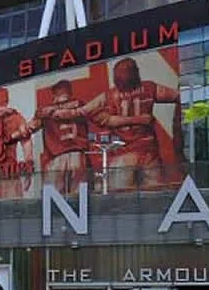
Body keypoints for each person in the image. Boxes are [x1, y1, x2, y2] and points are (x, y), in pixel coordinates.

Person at [56, 57, 180, 191]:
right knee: (154, 193)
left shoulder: (108, 95)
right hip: (148, 151)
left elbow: (82, 112)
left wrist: (57, 112)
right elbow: (178, 96)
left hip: (125, 154)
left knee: (121, 197)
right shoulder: (150, 88)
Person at [25, 80, 91, 194]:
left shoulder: (45, 111)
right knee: (80, 199)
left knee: (53, 202)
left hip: (55, 157)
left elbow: (29, 128)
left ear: (54, 94)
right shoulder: (81, 105)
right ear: (70, 92)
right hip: (78, 156)